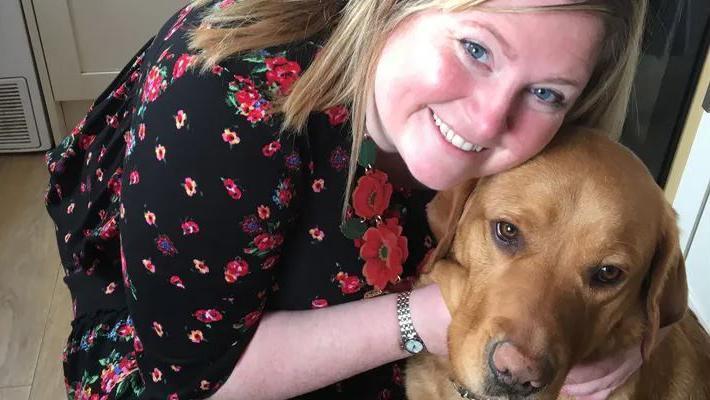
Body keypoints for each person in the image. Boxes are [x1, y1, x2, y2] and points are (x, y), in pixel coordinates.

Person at [44, 0, 650, 399]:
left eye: (546, 91)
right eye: (476, 49)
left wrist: (612, 337)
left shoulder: (542, 149)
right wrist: (429, 320)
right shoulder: (225, 100)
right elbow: (190, 378)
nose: (491, 121)